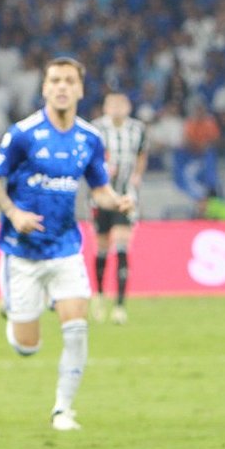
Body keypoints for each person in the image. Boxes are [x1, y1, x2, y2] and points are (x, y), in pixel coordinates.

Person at [0, 57, 134, 432]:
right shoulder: (23, 133)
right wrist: (14, 213)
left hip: (65, 248)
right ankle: (14, 310)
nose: (62, 87)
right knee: (26, 347)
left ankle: (63, 410)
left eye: (69, 81)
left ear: (80, 89)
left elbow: (99, 187)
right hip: (21, 252)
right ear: (45, 88)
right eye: (55, 81)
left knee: (77, 326)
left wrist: (116, 201)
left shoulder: (89, 139)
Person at [89, 91, 147, 325]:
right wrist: (101, 170)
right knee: (102, 247)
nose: (116, 108)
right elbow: (89, 158)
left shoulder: (137, 129)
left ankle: (120, 305)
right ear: (104, 107)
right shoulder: (95, 129)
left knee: (122, 245)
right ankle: (101, 295)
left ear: (128, 106)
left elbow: (142, 153)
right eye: (111, 104)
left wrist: (137, 175)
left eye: (120, 104)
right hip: (101, 196)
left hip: (126, 197)